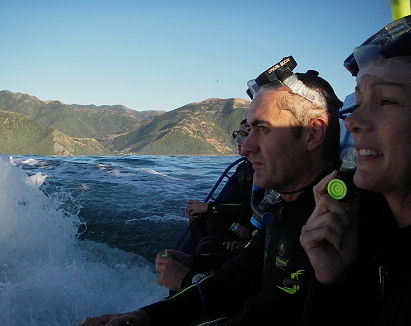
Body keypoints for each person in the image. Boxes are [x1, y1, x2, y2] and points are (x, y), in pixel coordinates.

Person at [77, 56, 343, 326]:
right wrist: (143, 317)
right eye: (248, 130)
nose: (247, 147)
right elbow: (236, 279)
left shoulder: (334, 223)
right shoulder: (286, 208)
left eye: (263, 129)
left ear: (313, 133)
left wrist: (185, 280)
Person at [300, 15, 411, 326]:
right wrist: (330, 279)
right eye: (356, 104)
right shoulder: (374, 239)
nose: (351, 122)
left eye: (387, 101)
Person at [185, 119, 255, 255]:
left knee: (213, 223)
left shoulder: (263, 171)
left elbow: (251, 208)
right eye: (236, 135)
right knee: (198, 220)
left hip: (249, 227)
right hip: (236, 222)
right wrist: (201, 210)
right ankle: (201, 258)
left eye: (243, 134)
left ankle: (208, 258)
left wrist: (208, 207)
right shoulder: (242, 168)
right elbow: (231, 202)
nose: (238, 140)